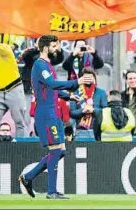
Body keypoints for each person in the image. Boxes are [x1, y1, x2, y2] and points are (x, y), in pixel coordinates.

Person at [19, 34, 93, 200]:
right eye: (54, 46)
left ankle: (28, 177)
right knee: (56, 150)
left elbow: (51, 88)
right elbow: (51, 84)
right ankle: (51, 192)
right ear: (45, 48)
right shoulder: (40, 65)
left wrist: (67, 95)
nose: (57, 49)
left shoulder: (47, 65)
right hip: (45, 113)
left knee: (61, 151)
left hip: (53, 113)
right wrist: (77, 82)